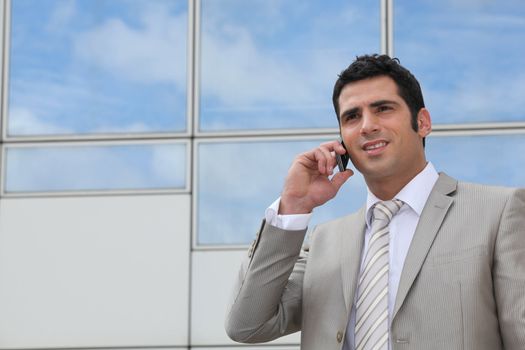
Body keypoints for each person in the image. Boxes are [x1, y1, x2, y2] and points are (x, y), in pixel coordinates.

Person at [224, 54, 525, 350]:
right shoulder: (324, 242)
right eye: (352, 116)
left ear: (422, 122)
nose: (367, 125)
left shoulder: (499, 213)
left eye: (383, 109)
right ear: (342, 140)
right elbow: (247, 325)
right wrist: (293, 207)